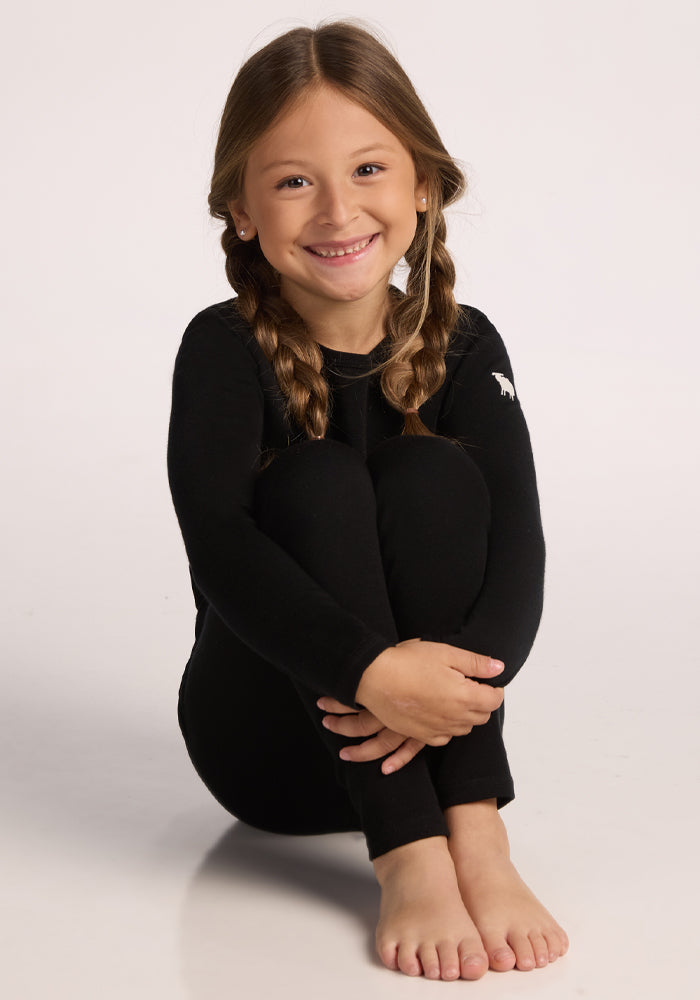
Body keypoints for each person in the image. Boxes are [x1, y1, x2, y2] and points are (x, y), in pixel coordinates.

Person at [167, 21, 569, 982]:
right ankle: (409, 857)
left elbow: (520, 549)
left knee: (432, 473)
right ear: (241, 210)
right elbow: (220, 547)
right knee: (314, 478)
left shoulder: (466, 344)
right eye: (293, 181)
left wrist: (444, 690)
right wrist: (370, 670)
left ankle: (475, 832)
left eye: (369, 169)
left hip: (444, 735)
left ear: (422, 184)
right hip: (271, 747)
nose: (337, 210)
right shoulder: (223, 348)